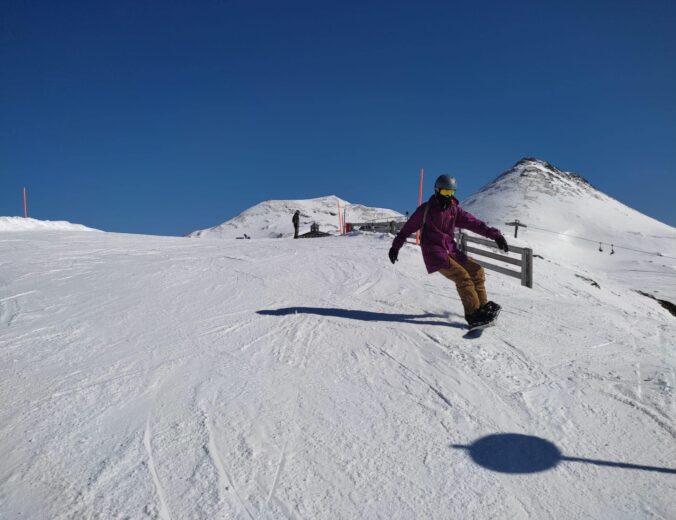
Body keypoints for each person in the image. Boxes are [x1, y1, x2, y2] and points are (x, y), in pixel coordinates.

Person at [388, 174, 509, 327]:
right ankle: (473, 314)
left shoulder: (454, 211)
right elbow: (406, 230)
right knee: (462, 276)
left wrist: (495, 235)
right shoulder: (425, 210)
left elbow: (474, 223)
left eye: (452, 193)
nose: (449, 196)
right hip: (435, 253)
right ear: (437, 191)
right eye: (445, 193)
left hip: (451, 251)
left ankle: (482, 308)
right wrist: (395, 247)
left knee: (477, 270)